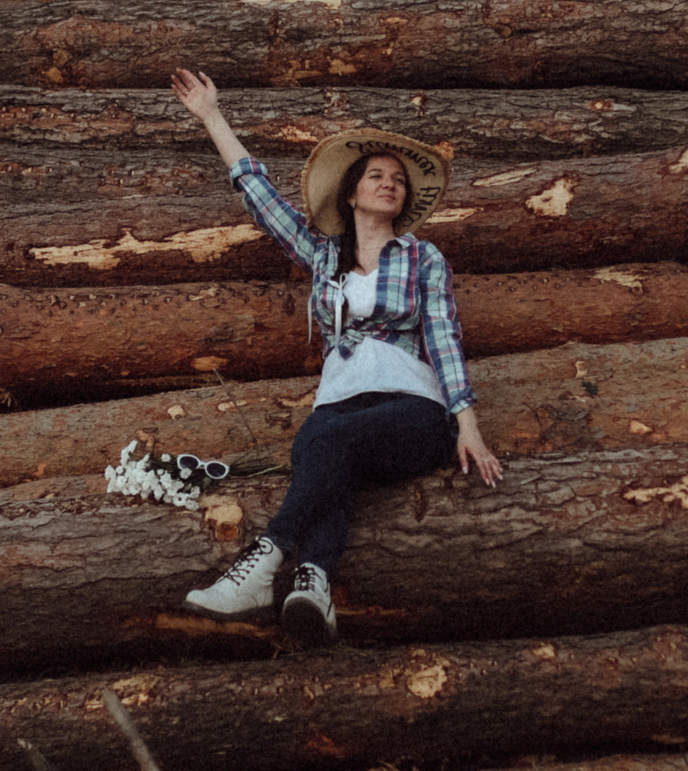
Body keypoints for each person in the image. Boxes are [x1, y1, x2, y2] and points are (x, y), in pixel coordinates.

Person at [170, 68, 502, 644]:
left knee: (323, 443)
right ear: (350, 194)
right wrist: (212, 117)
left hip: (413, 412)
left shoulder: (422, 258)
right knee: (324, 453)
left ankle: (262, 561)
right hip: (340, 408)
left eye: (398, 179)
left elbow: (445, 338)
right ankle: (314, 586)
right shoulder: (322, 257)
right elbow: (258, 195)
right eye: (376, 175)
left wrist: (467, 425)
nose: (389, 184)